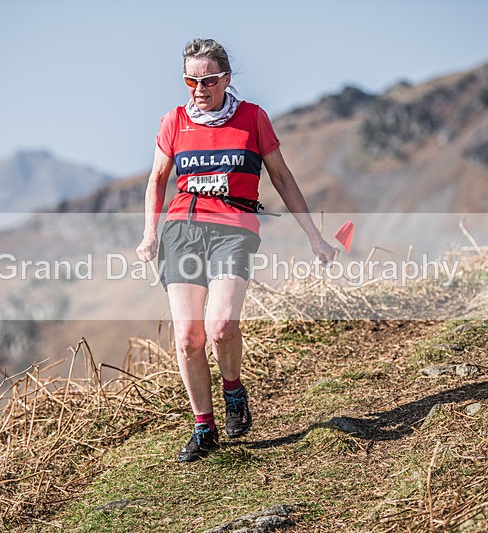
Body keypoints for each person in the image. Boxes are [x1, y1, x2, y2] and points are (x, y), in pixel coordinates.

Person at [136, 38, 335, 463]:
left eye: (208, 80)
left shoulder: (252, 118)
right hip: (182, 232)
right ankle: (203, 428)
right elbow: (156, 179)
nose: (198, 88)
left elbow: (281, 177)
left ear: (226, 78)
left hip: (234, 228)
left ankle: (234, 391)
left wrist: (314, 236)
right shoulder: (173, 121)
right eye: (191, 79)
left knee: (223, 325)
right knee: (189, 338)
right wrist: (150, 233)